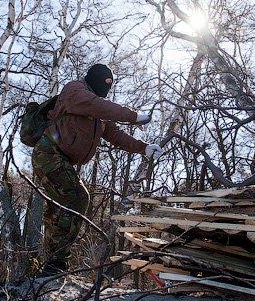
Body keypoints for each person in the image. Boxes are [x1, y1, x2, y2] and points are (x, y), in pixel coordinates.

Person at [32, 63, 161, 274]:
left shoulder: (98, 115)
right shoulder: (75, 90)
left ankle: (48, 265)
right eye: (104, 83)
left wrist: (143, 148)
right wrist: (132, 116)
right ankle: (56, 263)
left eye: (110, 85)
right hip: (48, 152)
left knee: (60, 210)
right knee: (78, 198)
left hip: (62, 160)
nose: (106, 88)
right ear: (93, 79)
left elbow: (116, 135)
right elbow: (94, 104)